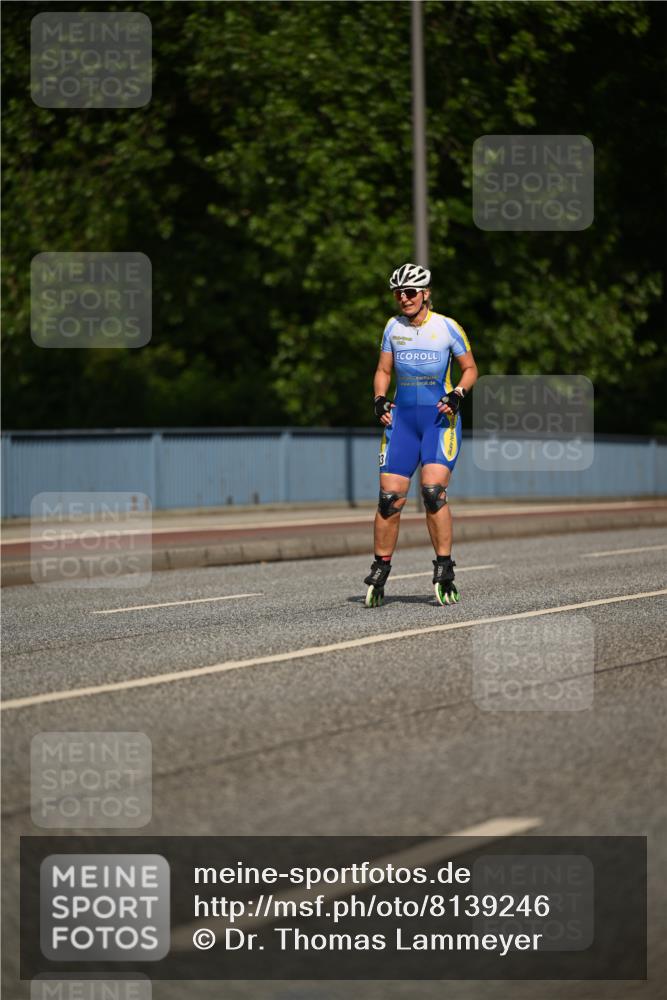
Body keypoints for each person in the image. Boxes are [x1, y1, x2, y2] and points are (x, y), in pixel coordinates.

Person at [363, 262, 478, 607]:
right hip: (402, 422)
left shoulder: (447, 327)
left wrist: (457, 394)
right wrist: (379, 399)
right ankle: (380, 568)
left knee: (432, 492)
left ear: (425, 294)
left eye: (410, 292)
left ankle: (444, 568)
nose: (404, 298)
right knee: (389, 499)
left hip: (438, 421)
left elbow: (470, 369)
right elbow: (383, 370)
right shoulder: (392, 327)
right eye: (398, 293)